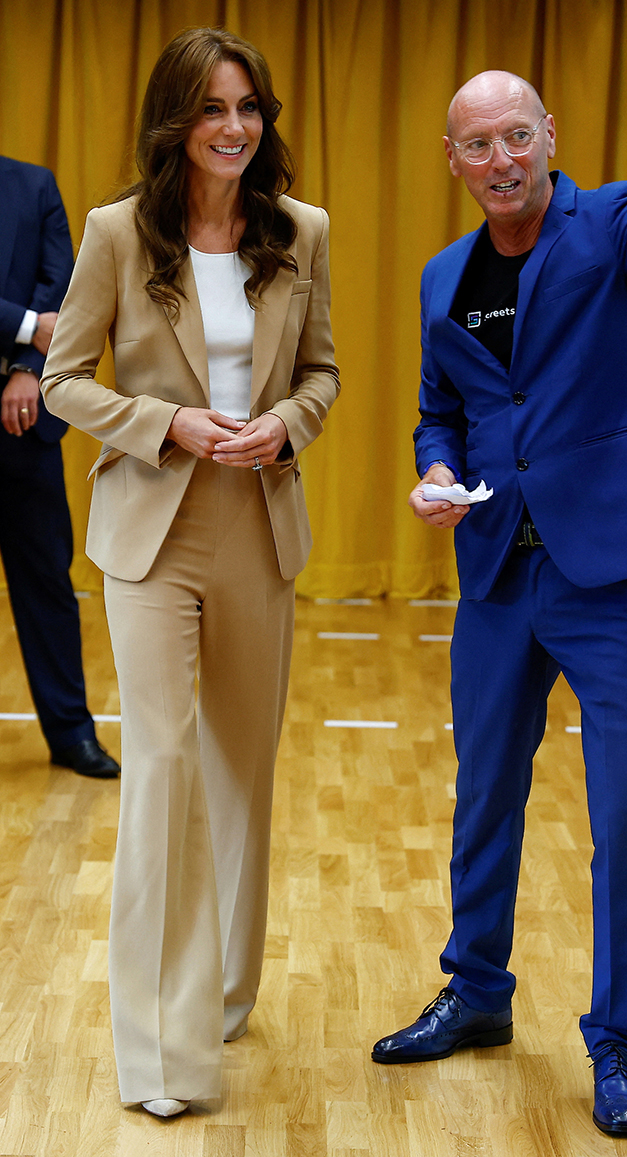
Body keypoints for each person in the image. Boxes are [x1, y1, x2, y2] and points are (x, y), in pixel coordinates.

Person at [371, 71, 627, 1137]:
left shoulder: (615, 215)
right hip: (494, 570)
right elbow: (443, 408)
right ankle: (477, 991)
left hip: (610, 571)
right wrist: (435, 471)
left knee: (621, 811)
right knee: (483, 793)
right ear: (453, 160)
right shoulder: (444, 276)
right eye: (477, 145)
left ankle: (617, 1037)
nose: (500, 160)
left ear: (548, 137)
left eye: (516, 136)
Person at [41, 28, 339, 1116]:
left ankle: (219, 989)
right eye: (212, 108)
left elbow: (322, 370)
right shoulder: (117, 233)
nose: (234, 127)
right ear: (177, 121)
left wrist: (285, 427)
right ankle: (160, 1050)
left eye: (248, 106)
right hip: (151, 534)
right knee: (162, 771)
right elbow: (66, 378)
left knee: (241, 772)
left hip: (259, 529)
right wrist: (168, 421)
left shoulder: (298, 231)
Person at [0, 155, 120, 778]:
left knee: (47, 583)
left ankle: (72, 733)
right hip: (19, 367)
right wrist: (24, 328)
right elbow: (39, 318)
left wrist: (24, 370)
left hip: (21, 421)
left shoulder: (34, 183)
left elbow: (63, 284)